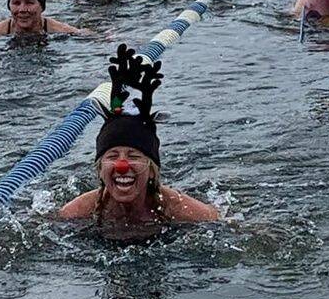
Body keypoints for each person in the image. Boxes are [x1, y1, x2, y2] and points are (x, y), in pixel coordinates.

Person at [59, 44, 219, 230]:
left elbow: (225, 225)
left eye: (133, 156)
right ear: (100, 169)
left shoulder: (180, 209)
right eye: (112, 156)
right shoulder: (79, 211)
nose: (122, 165)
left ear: (152, 170)